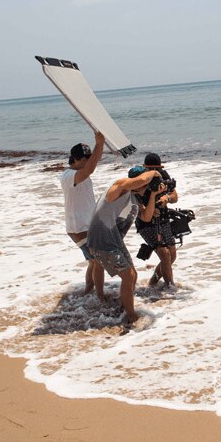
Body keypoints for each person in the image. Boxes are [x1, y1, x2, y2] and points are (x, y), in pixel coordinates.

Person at [86, 165, 162, 324]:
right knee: (129, 276)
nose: (146, 186)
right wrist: (155, 172)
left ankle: (124, 305)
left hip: (114, 241)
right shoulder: (119, 188)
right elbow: (140, 180)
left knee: (132, 275)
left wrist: (154, 195)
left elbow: (146, 218)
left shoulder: (135, 199)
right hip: (102, 240)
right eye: (145, 183)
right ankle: (131, 315)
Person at [60, 131, 106, 300]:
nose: (89, 161)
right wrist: (99, 144)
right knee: (99, 261)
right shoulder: (69, 176)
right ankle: (100, 296)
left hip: (84, 225)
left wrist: (99, 144)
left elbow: (93, 163)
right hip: (79, 227)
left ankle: (88, 292)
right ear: (76, 159)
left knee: (93, 262)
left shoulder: (82, 170)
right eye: (85, 159)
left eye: (89, 158)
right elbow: (89, 170)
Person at [137, 152, 180, 287]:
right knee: (164, 254)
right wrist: (149, 208)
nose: (155, 172)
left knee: (172, 255)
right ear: (145, 168)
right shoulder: (140, 178)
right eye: (151, 169)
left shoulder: (164, 176)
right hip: (146, 223)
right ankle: (170, 286)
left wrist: (166, 198)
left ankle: (153, 282)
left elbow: (174, 196)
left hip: (163, 219)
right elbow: (135, 200)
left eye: (158, 169)